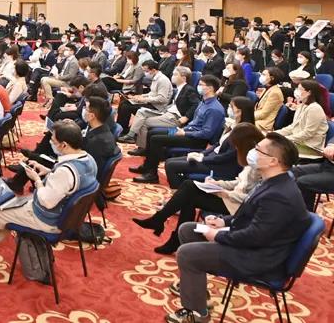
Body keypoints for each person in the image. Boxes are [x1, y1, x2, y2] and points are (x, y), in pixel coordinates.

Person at [166, 133, 310, 323]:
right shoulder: (273, 180)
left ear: (273, 161)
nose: (253, 152)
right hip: (256, 245)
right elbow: (250, 215)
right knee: (188, 230)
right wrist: (224, 222)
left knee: (186, 254)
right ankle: (197, 291)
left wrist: (217, 236)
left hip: (260, 259)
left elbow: (255, 237)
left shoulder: (279, 195)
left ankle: (197, 313)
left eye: (258, 150)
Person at [0, 120, 98, 254]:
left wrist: (36, 179)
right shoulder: (89, 159)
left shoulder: (65, 172)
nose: (51, 143)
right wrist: (48, 171)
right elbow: (71, 183)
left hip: (47, 220)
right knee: (1, 195)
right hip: (62, 213)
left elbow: (47, 201)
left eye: (54, 141)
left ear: (64, 145)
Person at [133, 123, 263, 255]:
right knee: (189, 190)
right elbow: (238, 182)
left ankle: (162, 223)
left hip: (236, 205)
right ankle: (169, 232)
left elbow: (251, 199)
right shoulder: (253, 160)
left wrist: (225, 194)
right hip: (231, 198)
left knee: (189, 191)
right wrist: (218, 184)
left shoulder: (259, 167)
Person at [131, 75, 226, 184]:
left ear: (210, 88)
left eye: (201, 85)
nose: (198, 87)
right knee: (152, 131)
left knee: (156, 139)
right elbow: (195, 123)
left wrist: (185, 133)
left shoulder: (214, 109)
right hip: (186, 131)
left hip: (194, 139)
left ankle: (152, 174)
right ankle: (147, 166)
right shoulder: (203, 102)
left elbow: (206, 133)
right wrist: (183, 130)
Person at [163, 96, 256, 189]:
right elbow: (218, 144)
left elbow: (226, 156)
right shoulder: (233, 124)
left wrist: (203, 159)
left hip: (219, 165)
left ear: (240, 111)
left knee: (171, 166)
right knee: (169, 161)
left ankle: (180, 192)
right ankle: (182, 190)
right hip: (210, 156)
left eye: (232, 107)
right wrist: (202, 154)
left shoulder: (244, 131)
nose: (229, 109)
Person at [123, 66, 201, 152]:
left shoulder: (189, 89)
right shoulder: (180, 88)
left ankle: (143, 148)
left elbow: (196, 104)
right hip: (167, 112)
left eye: (175, 74)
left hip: (175, 118)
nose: (172, 76)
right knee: (141, 112)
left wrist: (186, 117)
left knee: (144, 122)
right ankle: (131, 136)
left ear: (183, 78)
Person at [276, 79, 329, 160]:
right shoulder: (302, 105)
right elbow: (293, 126)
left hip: (310, 147)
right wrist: (276, 133)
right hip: (298, 142)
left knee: (277, 150)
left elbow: (307, 133)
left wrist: (286, 138)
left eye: (300, 89)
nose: (296, 91)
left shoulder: (315, 108)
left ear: (309, 92)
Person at [116, 60, 173, 135]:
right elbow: (152, 93)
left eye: (146, 71)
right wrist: (140, 96)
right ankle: (120, 127)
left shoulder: (163, 80)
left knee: (126, 106)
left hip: (157, 107)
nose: (145, 73)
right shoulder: (155, 78)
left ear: (153, 70)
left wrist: (143, 99)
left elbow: (162, 99)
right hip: (151, 103)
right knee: (124, 103)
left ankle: (123, 130)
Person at [254, 67, 284, 132]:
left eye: (264, 75)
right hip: (258, 119)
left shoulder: (275, 93)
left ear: (272, 78)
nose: (261, 76)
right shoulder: (267, 88)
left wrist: (248, 116)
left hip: (263, 124)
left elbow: (263, 114)